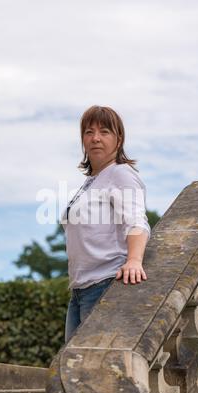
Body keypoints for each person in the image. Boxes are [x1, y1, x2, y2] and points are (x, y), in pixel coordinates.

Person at [61, 105, 151, 343]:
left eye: (104, 132)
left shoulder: (121, 173)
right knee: (73, 373)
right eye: (89, 132)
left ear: (118, 138)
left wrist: (134, 260)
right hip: (79, 290)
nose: (96, 138)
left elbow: (137, 221)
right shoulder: (91, 182)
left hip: (105, 284)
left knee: (91, 372)